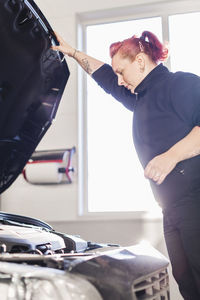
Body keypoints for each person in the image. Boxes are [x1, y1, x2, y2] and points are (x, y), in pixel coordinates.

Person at [52, 31, 200, 300]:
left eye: (123, 71)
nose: (120, 80)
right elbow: (106, 78)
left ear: (141, 62)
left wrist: (171, 156)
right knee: (187, 283)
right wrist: (73, 53)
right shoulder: (139, 98)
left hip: (196, 203)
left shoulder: (182, 84)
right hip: (170, 210)